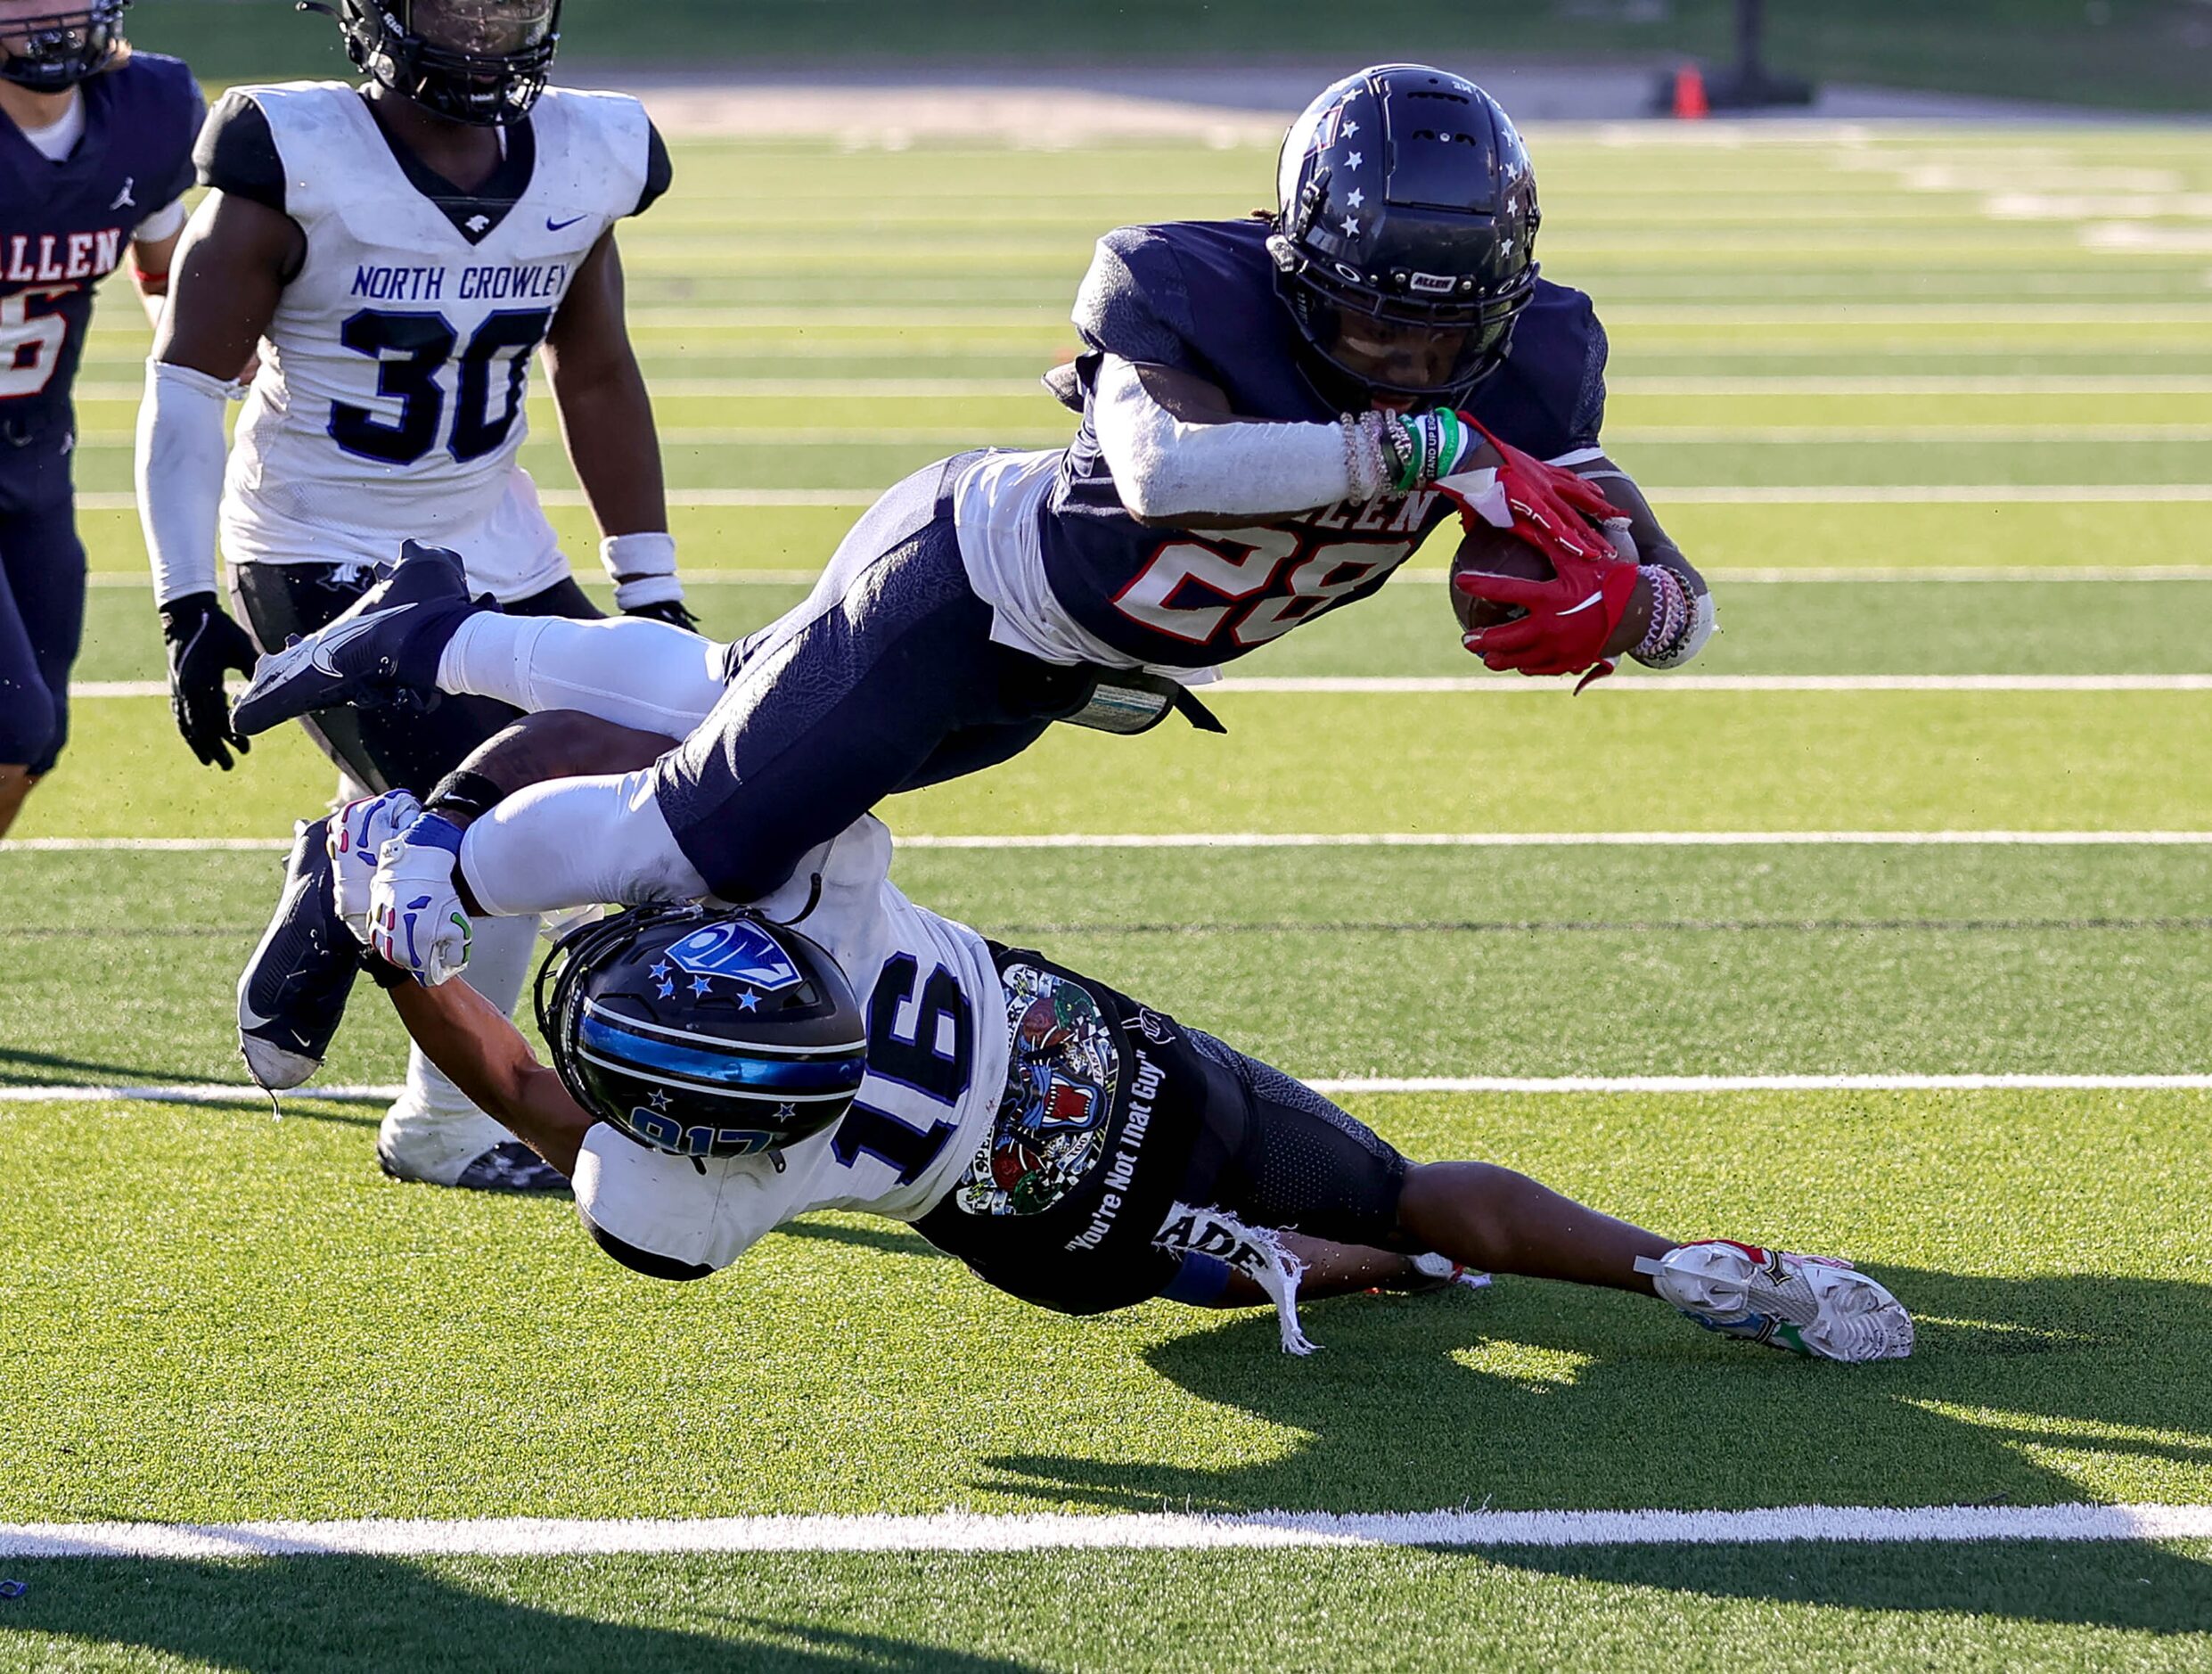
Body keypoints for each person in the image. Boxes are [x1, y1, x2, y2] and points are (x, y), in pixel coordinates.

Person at [226, 64, 1719, 961]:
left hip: (1070, 673)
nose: (1404, 359)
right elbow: (1165, 477)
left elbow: (1662, 581)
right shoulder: (1186, 281)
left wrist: (1641, 603)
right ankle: (411, 857)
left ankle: (440, 629)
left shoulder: (1530, 369)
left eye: (1442, 339)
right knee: (701, 844)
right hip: (962, 588)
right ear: (1293, 257)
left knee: (717, 692)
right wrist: (1416, 444)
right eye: (1371, 325)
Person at [258, 710, 1912, 1366]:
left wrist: (397, 950)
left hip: (1058, 1225)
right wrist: (463, 806)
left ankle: (1348, 1268)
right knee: (1401, 1186)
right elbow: (664, 752)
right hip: (1125, 1060)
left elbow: (542, 1100)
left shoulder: (697, 1193)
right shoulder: (815, 887)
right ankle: (1677, 1264)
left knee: (1250, 1254)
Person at [141, 0, 695, 1191]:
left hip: (489, 531)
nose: (486, 26)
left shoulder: (588, 150)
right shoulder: (287, 151)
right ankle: (446, 1122)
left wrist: (647, 586)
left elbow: (592, 364)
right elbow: (186, 387)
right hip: (316, 544)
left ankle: (348, 854)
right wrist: (188, 600)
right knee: (509, 819)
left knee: (668, 747)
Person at [0, 0, 199, 835]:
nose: (50, 13)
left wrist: (239, 365)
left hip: (33, 459)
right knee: (15, 726)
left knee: (35, 743)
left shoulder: (148, 112)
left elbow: (171, 276)